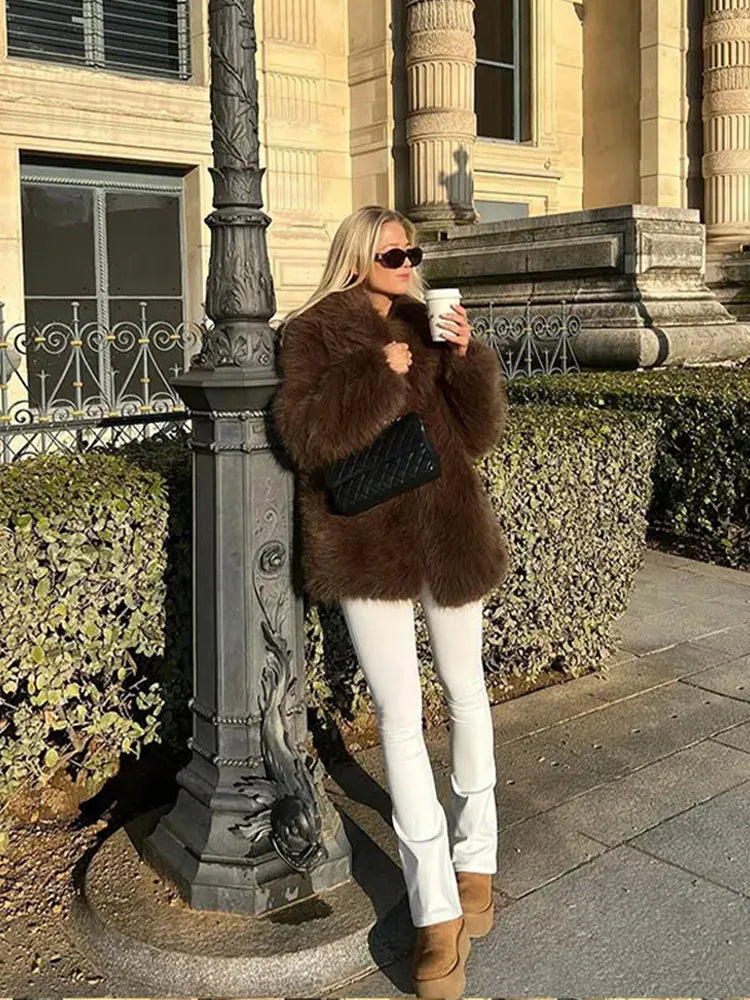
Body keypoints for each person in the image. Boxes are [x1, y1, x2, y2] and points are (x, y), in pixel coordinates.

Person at [271, 205, 510, 1000]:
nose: (409, 265)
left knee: (467, 694)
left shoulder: (428, 320)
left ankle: (477, 863)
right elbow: (304, 437)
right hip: (366, 541)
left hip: (449, 526)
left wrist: (465, 358)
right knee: (399, 719)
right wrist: (380, 371)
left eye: (413, 253)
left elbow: (478, 434)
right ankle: (435, 910)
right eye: (393, 254)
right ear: (356, 260)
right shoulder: (310, 332)